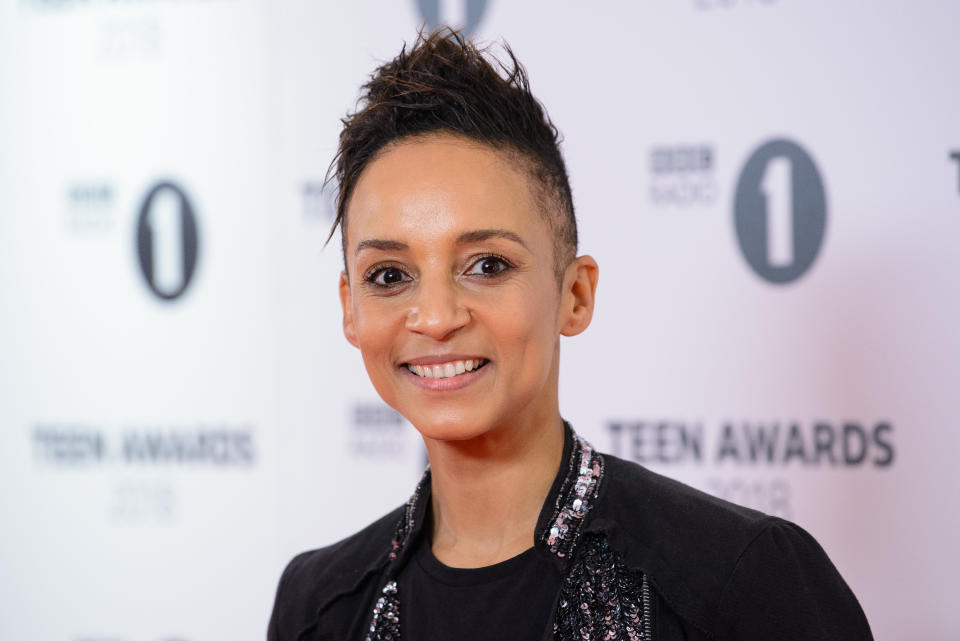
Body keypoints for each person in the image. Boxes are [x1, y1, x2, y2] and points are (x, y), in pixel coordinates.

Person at [267, 28, 873, 641]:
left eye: (488, 265)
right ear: (351, 309)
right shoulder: (316, 605)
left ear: (575, 294)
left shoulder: (740, 581)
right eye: (390, 275)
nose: (436, 316)